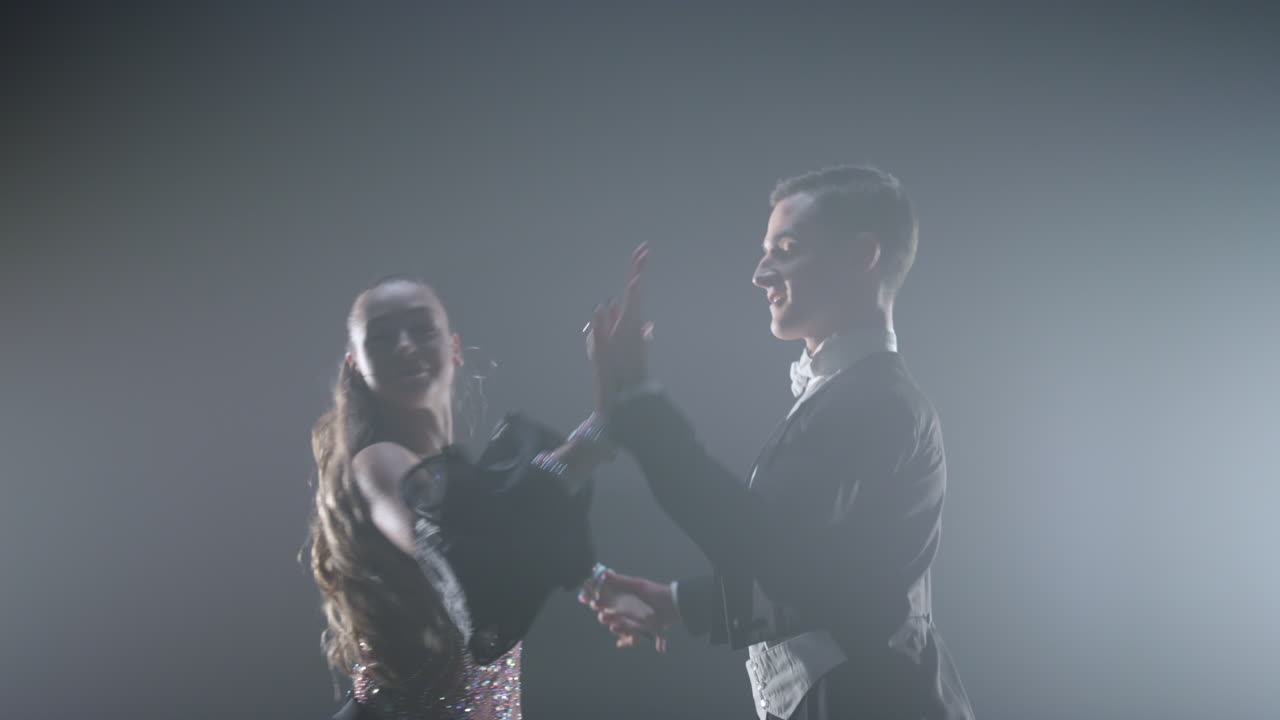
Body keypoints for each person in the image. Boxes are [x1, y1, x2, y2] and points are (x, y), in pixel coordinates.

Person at [583, 166, 976, 719]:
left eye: (785, 249)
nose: (760, 273)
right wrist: (676, 603)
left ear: (862, 256)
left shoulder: (876, 402)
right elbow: (819, 579)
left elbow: (763, 546)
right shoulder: (853, 394)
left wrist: (640, 403)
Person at [305, 276, 613, 720]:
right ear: (356, 366)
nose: (406, 346)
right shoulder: (377, 463)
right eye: (383, 337)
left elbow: (504, 542)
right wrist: (594, 434)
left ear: (454, 347)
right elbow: (452, 550)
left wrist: (598, 583)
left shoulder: (465, 482)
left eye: (421, 329)